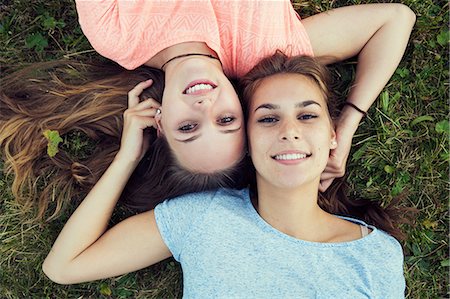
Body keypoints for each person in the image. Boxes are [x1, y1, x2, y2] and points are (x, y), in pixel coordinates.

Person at [0, 1, 415, 219]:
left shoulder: (115, 36)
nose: (204, 105)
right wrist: (343, 128)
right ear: (246, 104)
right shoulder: (266, 51)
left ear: (158, 119)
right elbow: (395, 20)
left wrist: (129, 156)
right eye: (226, 120)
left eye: (188, 127)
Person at [42, 53, 407, 297]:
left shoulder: (375, 256)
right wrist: (127, 157)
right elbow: (64, 265)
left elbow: (395, 16)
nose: (289, 131)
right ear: (246, 140)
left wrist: (350, 121)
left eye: (308, 115)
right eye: (267, 118)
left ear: (331, 135)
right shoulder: (203, 217)